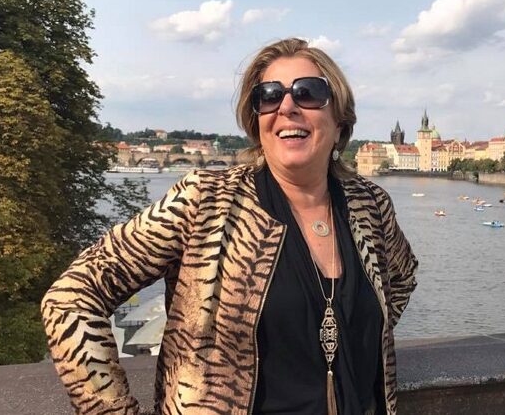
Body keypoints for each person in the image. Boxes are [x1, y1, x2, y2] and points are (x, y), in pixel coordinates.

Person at [41, 37, 418, 415]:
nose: (287, 107)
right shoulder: (205, 201)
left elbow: (401, 280)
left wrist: (354, 340)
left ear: (339, 122)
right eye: (269, 96)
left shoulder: (369, 205)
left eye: (308, 93)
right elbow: (71, 296)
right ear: (257, 121)